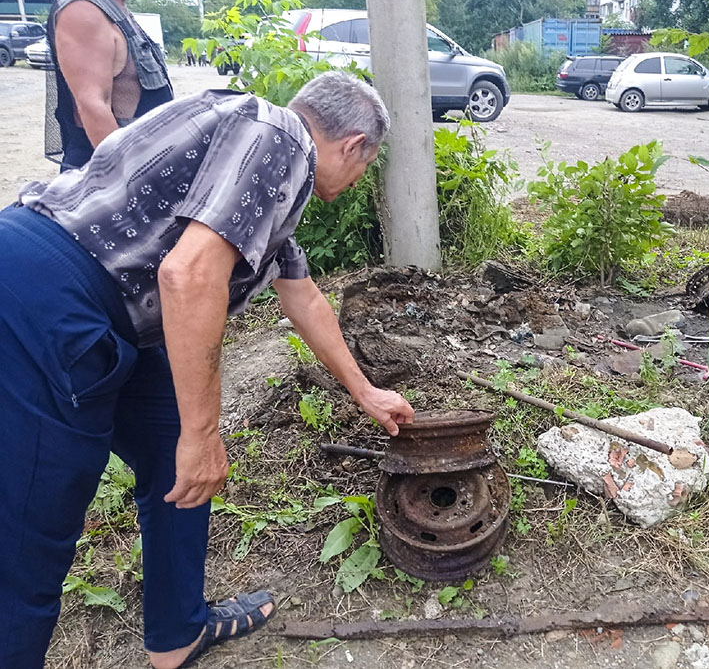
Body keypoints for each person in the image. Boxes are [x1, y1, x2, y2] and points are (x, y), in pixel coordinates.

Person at [0, 72, 415, 669]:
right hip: (47, 297)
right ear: (353, 145)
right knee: (29, 533)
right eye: (364, 166)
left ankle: (177, 632)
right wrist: (205, 431)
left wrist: (366, 391)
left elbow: (303, 297)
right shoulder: (278, 141)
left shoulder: (261, 153)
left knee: (174, 453)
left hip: (102, 310)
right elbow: (188, 276)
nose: (355, 183)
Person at [46, 0, 173, 171]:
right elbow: (92, 105)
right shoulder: (83, 9)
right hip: (110, 178)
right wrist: (134, 179)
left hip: (141, 164)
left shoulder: (113, 9)